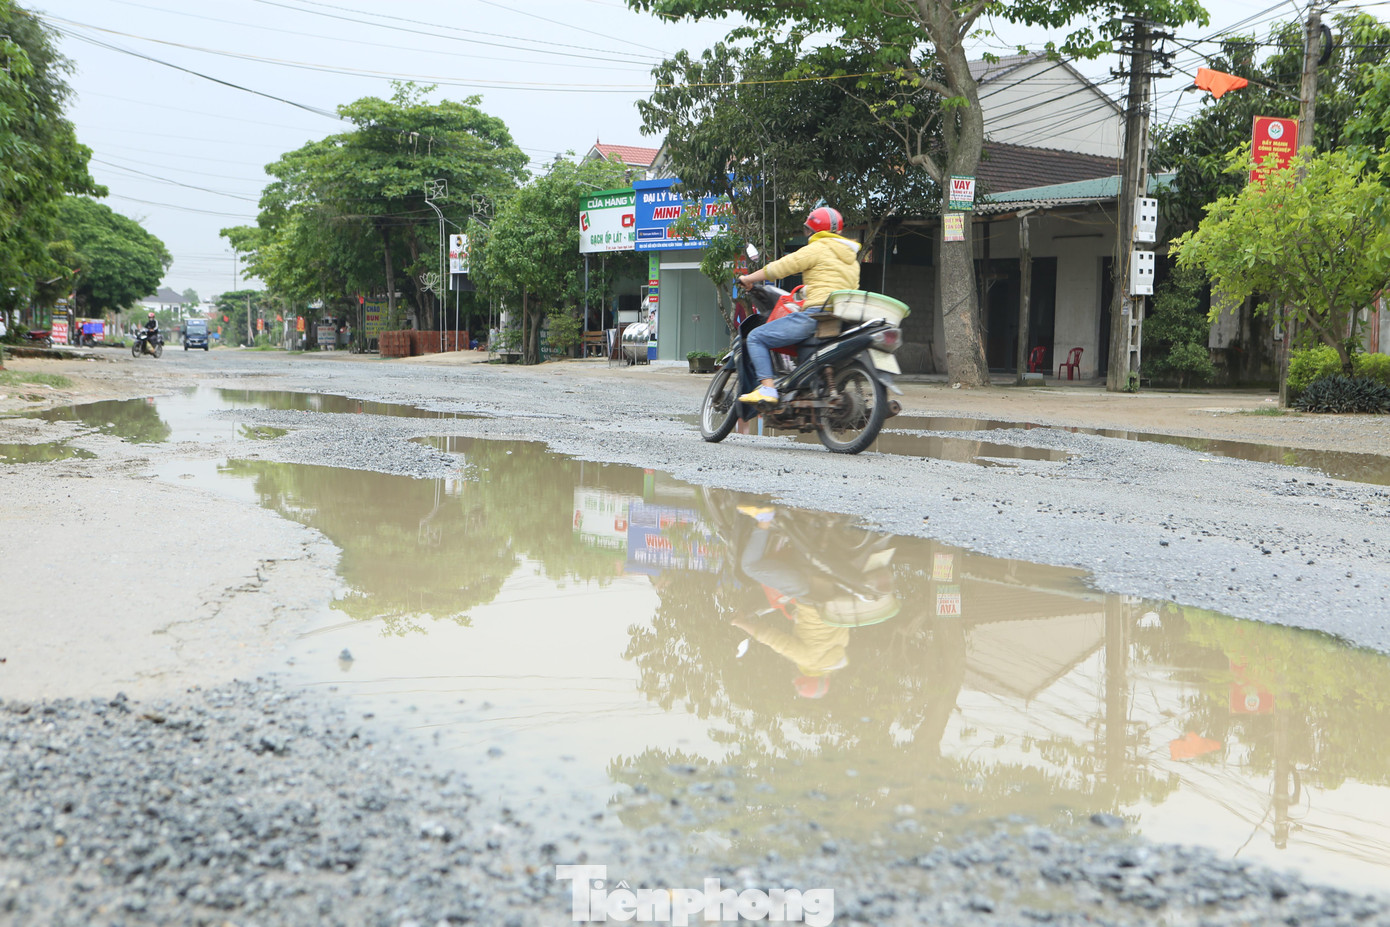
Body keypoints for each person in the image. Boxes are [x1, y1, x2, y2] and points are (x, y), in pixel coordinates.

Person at [735, 206, 861, 405]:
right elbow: (845, 287)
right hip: (841, 318)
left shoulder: (817, 248)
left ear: (813, 231)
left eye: (807, 230)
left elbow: (780, 268)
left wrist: (748, 278)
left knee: (756, 337)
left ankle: (768, 389)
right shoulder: (851, 259)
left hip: (817, 314)